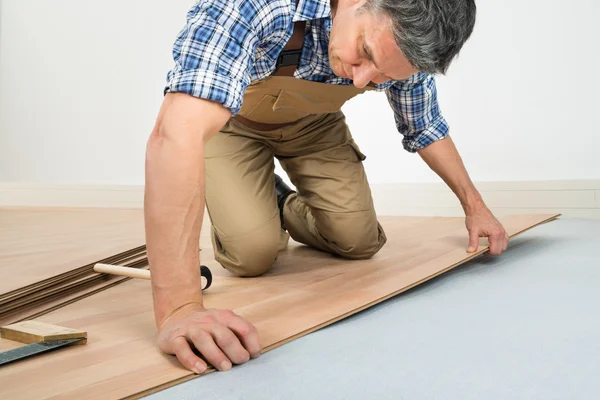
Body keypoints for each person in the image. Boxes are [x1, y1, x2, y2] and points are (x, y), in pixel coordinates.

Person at [144, 0, 509, 374]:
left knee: (359, 241)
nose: (361, 80)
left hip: (314, 127)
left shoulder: (404, 42)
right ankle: (249, 197)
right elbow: (175, 135)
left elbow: (425, 126)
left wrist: (474, 205)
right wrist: (180, 308)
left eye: (384, 76)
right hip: (231, 126)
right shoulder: (257, 5)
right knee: (251, 254)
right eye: (364, 53)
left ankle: (277, 199)